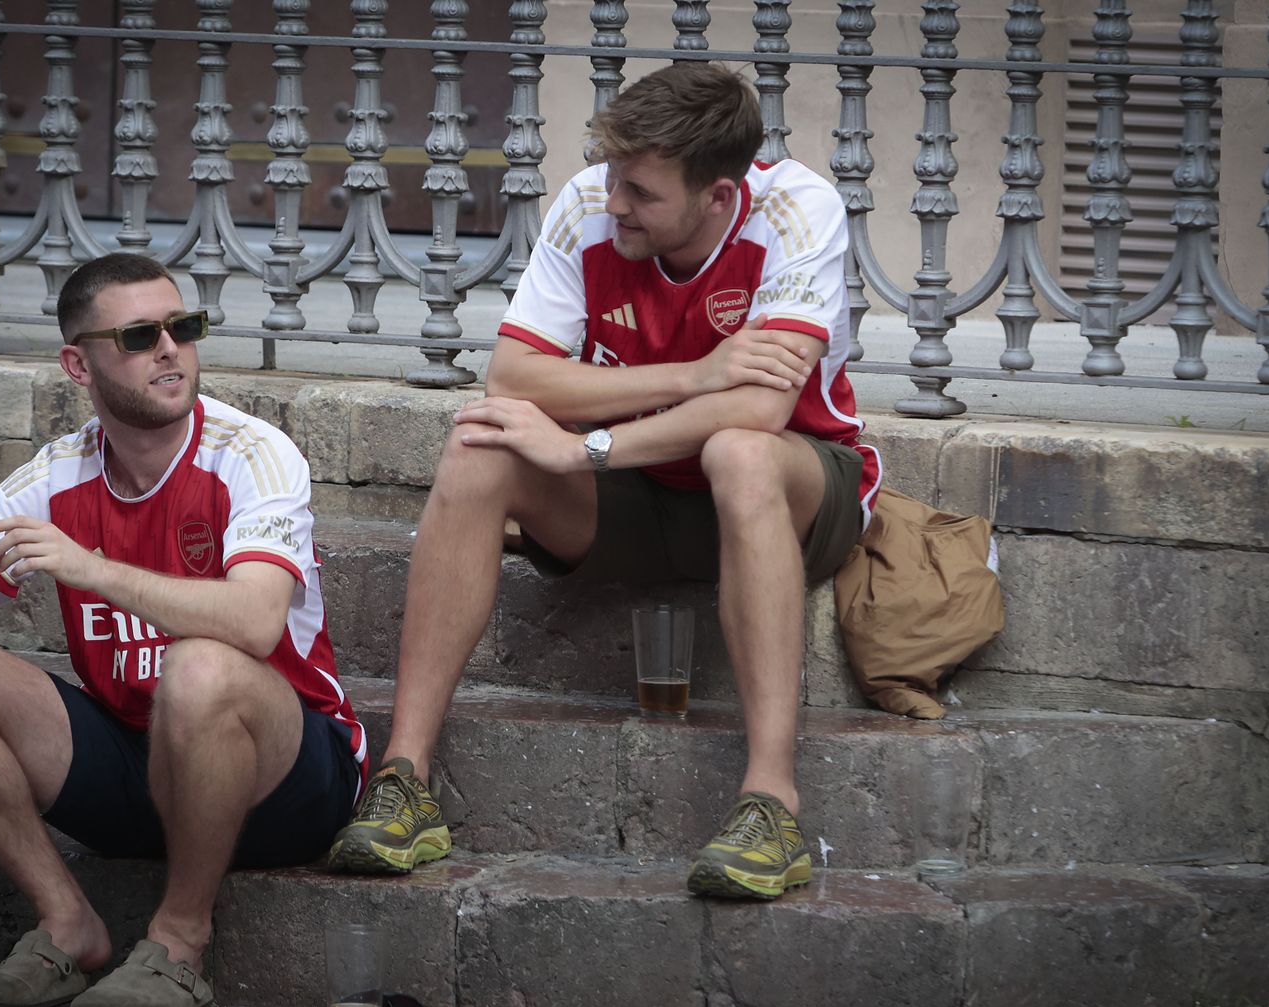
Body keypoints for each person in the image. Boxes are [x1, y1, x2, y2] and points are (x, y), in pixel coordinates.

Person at [326, 63, 880, 900]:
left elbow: (763, 411)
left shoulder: (799, 210)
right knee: (480, 445)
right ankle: (404, 779)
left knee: (738, 451)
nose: (613, 202)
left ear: (719, 199)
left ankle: (772, 802)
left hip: (795, 489)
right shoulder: (592, 202)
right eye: (614, 177)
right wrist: (695, 374)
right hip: (641, 491)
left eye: (642, 193)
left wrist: (584, 449)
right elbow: (512, 378)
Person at [0, 253, 363, 1007]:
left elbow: (256, 622)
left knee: (200, 666)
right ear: (78, 363)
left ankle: (177, 944)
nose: (170, 349)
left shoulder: (252, 453)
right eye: (139, 335)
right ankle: (68, 925)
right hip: (140, 767)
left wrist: (93, 570)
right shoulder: (56, 475)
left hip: (285, 780)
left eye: (183, 327)